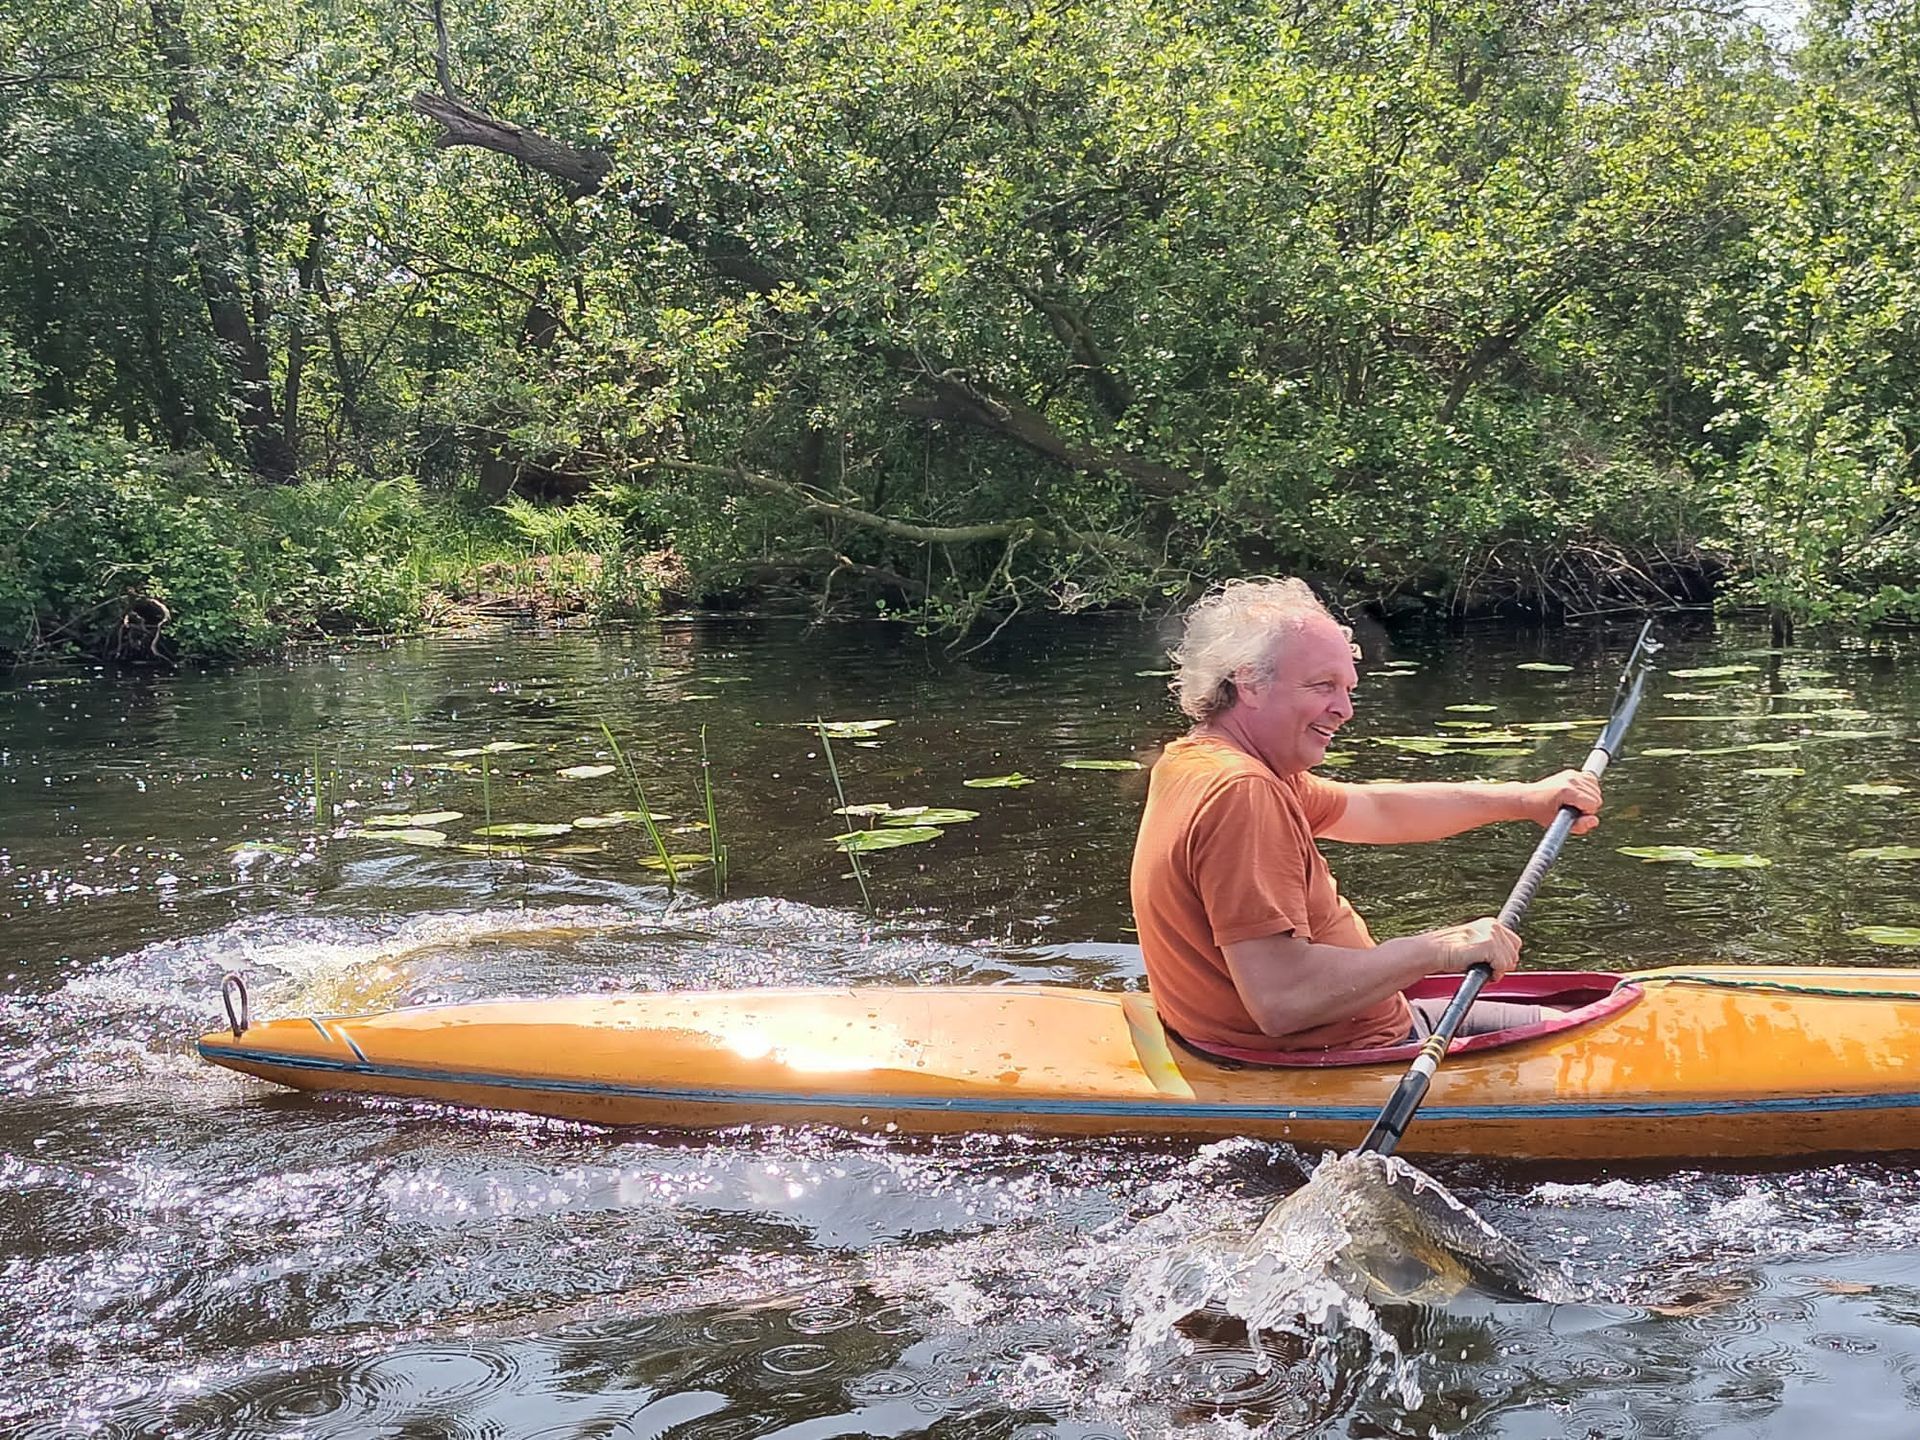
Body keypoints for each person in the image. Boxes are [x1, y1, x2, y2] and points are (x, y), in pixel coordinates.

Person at [1129, 577, 1602, 1055]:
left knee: (1583, 1020)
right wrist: (1438, 949)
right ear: (1249, 683)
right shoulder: (1241, 791)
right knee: (1595, 1047)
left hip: (1364, 1028)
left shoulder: (1207, 762)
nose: (1345, 710)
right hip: (1332, 1058)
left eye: (1348, 689)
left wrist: (1524, 799)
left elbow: (1376, 810)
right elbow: (1282, 1000)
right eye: (1323, 686)